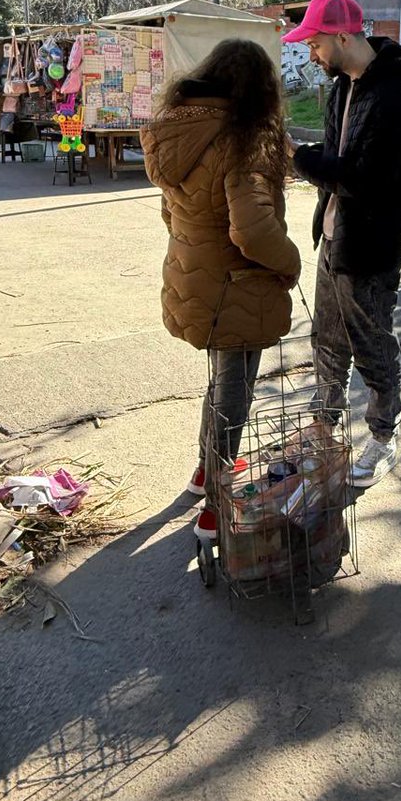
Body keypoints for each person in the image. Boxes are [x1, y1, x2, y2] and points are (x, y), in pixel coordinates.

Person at [141, 38, 301, 542]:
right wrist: (292, 262)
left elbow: (171, 212)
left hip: (194, 276)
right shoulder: (241, 139)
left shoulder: (179, 129)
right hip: (235, 285)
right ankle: (215, 508)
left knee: (221, 383)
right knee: (235, 389)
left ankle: (204, 471)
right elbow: (251, 231)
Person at [285, 0, 401, 488]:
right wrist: (309, 162)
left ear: (343, 36)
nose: (311, 54)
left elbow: (364, 178)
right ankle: (323, 426)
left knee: (371, 345)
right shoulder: (344, 86)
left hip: (372, 247)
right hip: (335, 238)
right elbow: (336, 153)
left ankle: (384, 438)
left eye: (316, 43)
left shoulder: (396, 97)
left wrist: (298, 160)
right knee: (326, 340)